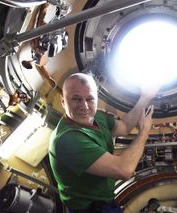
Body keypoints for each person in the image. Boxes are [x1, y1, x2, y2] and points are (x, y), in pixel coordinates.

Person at [49, 72, 158, 212]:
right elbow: (124, 170)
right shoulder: (66, 140)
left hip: (104, 202)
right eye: (76, 99)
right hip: (88, 209)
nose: (84, 106)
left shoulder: (97, 118)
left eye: (90, 99)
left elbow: (124, 127)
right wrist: (144, 133)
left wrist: (145, 97)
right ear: (63, 102)